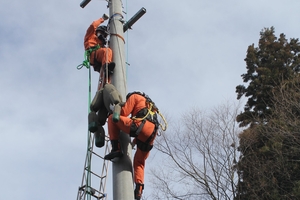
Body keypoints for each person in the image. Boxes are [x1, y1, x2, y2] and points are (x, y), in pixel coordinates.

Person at [104, 91, 160, 200]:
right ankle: (139, 188)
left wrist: (115, 108)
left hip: (140, 127)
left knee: (111, 118)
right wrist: (134, 142)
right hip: (151, 135)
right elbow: (146, 122)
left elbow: (124, 112)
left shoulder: (134, 97)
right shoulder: (150, 105)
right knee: (139, 162)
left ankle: (116, 148)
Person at [84, 15, 115, 88]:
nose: (103, 36)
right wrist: (102, 19)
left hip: (100, 60)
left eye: (104, 35)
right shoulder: (91, 36)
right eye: (102, 33)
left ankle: (104, 86)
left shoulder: (102, 43)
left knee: (106, 75)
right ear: (98, 32)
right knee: (107, 51)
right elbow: (93, 26)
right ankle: (106, 67)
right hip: (93, 55)